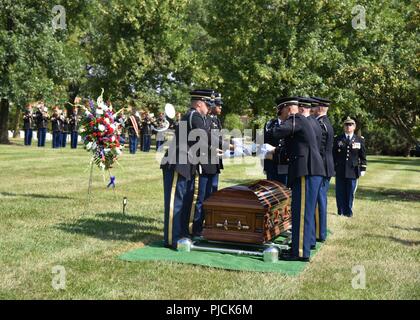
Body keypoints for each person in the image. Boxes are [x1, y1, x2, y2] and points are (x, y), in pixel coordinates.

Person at [270, 97, 325, 262]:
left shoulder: (296, 119)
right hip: (311, 171)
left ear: (286, 109)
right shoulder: (303, 120)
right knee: (304, 212)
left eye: (281, 114)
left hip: (306, 171)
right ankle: (303, 246)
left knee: (301, 213)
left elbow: (275, 133)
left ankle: (300, 252)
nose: (282, 118)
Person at [161, 89, 213, 249]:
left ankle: (183, 234)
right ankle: (172, 239)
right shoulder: (194, 116)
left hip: (187, 163)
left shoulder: (196, 116)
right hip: (178, 163)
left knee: (185, 201)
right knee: (175, 203)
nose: (209, 108)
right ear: (199, 104)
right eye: (207, 104)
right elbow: (204, 135)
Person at [310, 97, 335, 242]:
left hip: (323, 167)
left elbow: (318, 149)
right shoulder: (324, 122)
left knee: (319, 200)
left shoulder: (321, 124)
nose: (311, 109)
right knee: (320, 199)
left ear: (319, 108)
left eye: (313, 107)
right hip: (325, 165)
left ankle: (320, 233)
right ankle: (320, 231)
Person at [333, 117, 367, 217]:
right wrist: (333, 168)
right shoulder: (338, 139)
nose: (348, 126)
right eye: (346, 125)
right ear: (343, 126)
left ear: (354, 127)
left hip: (353, 171)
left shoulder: (359, 140)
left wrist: (363, 168)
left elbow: (363, 156)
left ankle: (348, 212)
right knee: (340, 192)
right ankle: (341, 211)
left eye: (350, 124)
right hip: (340, 170)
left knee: (350, 192)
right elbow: (333, 155)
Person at [263, 97, 290, 186]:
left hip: (285, 164)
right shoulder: (270, 124)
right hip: (271, 165)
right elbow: (265, 143)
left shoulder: (293, 124)